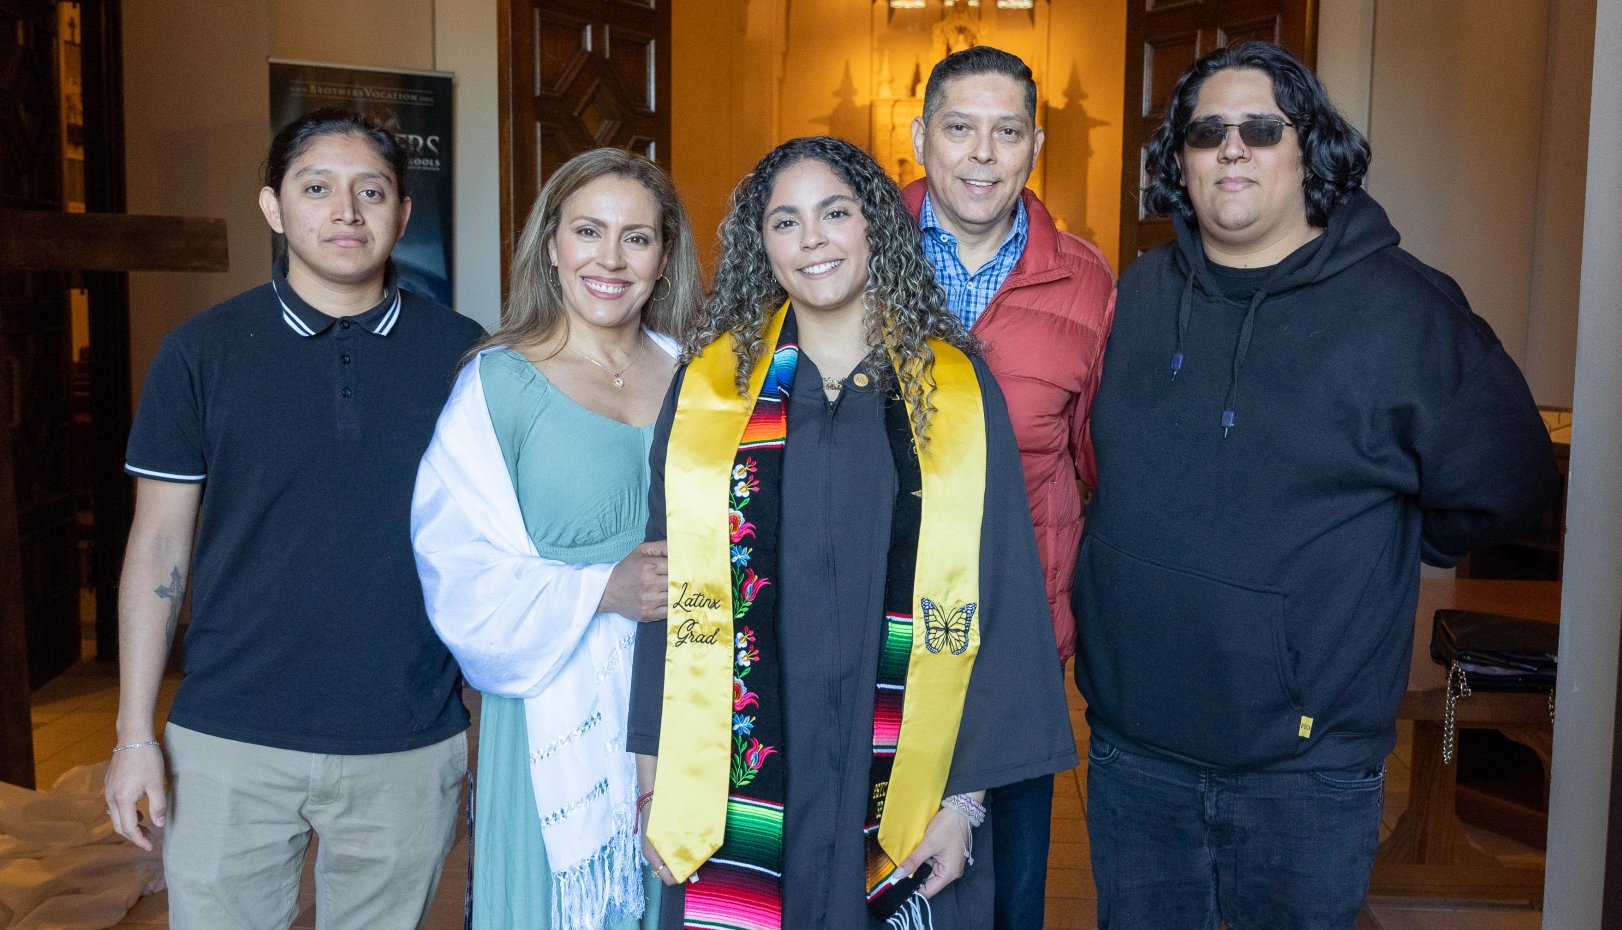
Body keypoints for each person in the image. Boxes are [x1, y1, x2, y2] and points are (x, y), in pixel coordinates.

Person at [1074, 41, 1558, 929]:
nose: (1232, 149)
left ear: (1310, 148)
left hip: (1306, 770)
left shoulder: (1404, 309)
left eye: (1261, 128)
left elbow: (1511, 481)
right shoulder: (1142, 293)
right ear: (1178, 159)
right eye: (1206, 131)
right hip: (1133, 754)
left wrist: (1394, 544)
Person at [627, 135, 1078, 930]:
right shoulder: (711, 398)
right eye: (786, 221)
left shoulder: (954, 397)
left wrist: (963, 807)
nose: (813, 240)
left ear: (876, 226)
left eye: (836, 213)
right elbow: (670, 599)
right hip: (743, 775)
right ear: (760, 246)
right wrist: (656, 780)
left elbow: (1004, 600)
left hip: (912, 779)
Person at [104, 108, 486, 930]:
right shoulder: (200, 351)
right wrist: (135, 735)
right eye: (317, 188)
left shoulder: (464, 356)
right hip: (229, 735)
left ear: (402, 214)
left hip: (406, 735)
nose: (346, 213)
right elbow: (159, 546)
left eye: (371, 191)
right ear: (274, 207)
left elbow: (490, 550)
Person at [411, 148, 703, 929]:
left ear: (665, 256)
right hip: (550, 721)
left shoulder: (699, 380)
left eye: (636, 238)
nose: (610, 259)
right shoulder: (498, 383)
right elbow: (455, 568)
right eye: (588, 232)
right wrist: (600, 588)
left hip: (690, 712)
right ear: (551, 245)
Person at [904, 45, 1115, 929]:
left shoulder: (1088, 283)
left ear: (1035, 145)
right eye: (959, 129)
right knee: (871, 883)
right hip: (875, 638)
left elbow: (1096, 462)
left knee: (1008, 900)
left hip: (1018, 648)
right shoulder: (844, 254)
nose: (982, 154)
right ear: (920, 139)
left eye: (1006, 131)